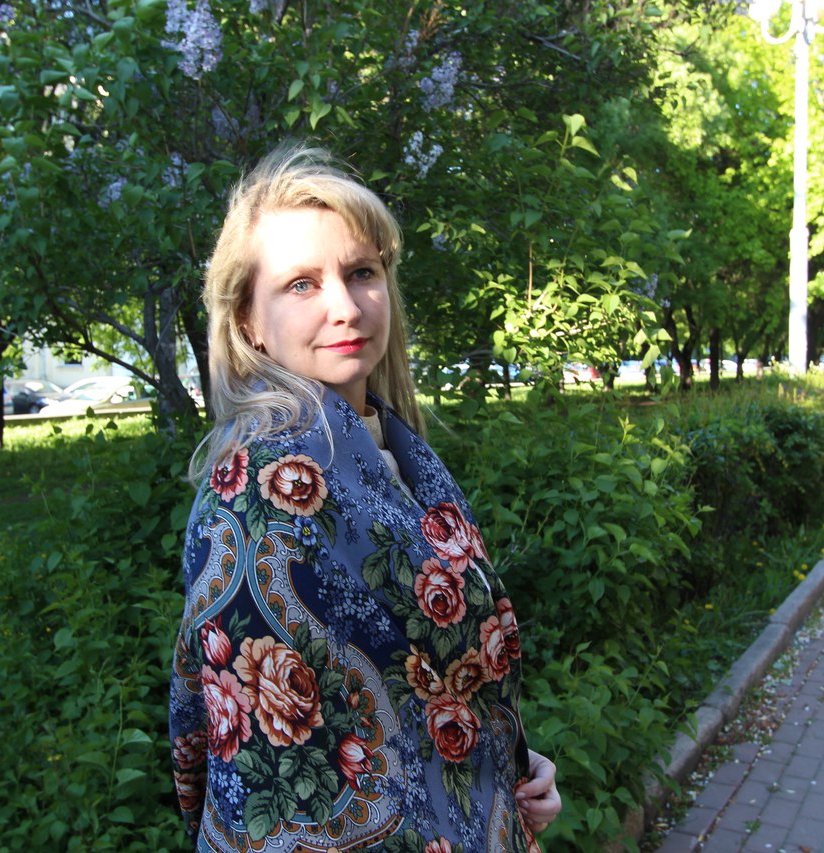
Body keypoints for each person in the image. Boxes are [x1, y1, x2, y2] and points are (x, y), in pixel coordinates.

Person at [169, 144, 562, 851]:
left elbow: (421, 682)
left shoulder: (398, 454)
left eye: (361, 273)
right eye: (301, 284)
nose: (346, 307)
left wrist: (511, 766)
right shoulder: (261, 495)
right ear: (249, 320)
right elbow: (287, 794)